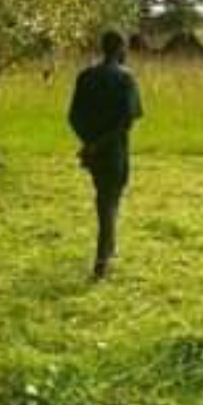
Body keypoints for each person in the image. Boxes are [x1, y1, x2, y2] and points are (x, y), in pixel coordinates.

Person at [69, 31, 144, 281]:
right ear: (120, 48)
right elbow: (128, 121)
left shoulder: (85, 76)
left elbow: (73, 116)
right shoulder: (126, 78)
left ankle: (110, 246)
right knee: (108, 201)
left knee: (105, 197)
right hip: (114, 150)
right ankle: (102, 259)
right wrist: (100, 144)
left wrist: (89, 142)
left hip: (93, 152)